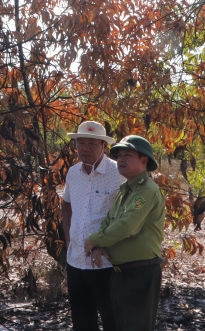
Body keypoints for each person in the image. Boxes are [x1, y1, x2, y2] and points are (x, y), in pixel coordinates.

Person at [83, 135, 166, 331]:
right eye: (119, 155)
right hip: (121, 273)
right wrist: (99, 245)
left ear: (144, 161)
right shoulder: (125, 190)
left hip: (140, 272)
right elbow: (109, 221)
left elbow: (126, 227)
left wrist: (92, 239)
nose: (121, 159)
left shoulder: (146, 190)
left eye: (128, 155)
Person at [62, 121, 123, 331]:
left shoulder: (118, 173)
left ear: (103, 147)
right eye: (81, 143)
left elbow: (125, 218)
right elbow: (66, 206)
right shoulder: (72, 173)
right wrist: (69, 241)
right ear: (75, 145)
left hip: (105, 263)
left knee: (112, 320)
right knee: (82, 321)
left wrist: (105, 243)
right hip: (75, 260)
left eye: (92, 144)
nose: (85, 148)